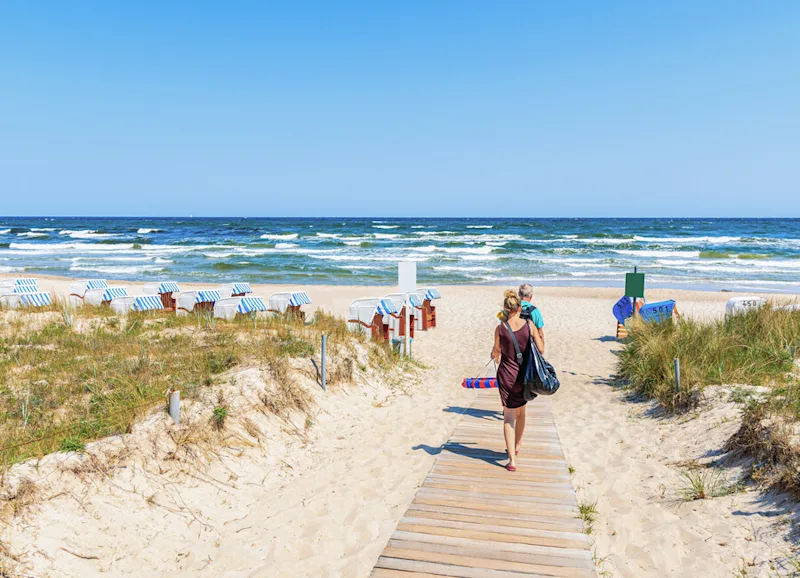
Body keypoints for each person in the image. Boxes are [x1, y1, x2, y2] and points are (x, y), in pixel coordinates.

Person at [491, 290, 545, 471]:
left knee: (508, 417)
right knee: (521, 413)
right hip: (524, 375)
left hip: (506, 375)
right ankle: (517, 445)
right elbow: (541, 349)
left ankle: (512, 460)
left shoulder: (500, 328)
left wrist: (497, 352)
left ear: (505, 309)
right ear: (520, 308)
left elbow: (496, 354)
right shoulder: (529, 325)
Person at [518, 283, 545, 354]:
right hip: (529, 350)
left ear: (519, 294)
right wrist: (541, 353)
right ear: (531, 296)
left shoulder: (512, 309)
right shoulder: (535, 311)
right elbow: (540, 334)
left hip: (513, 348)